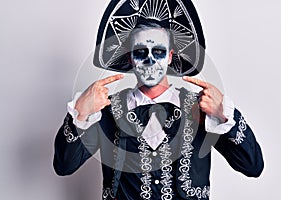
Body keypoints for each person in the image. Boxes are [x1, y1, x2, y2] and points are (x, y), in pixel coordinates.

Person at [53, 0, 264, 199]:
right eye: (141, 52)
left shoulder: (200, 108)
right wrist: (80, 114)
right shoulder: (107, 110)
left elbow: (252, 166)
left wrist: (225, 115)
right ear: (130, 58)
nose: (150, 60)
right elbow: (64, 166)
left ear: (171, 57)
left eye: (159, 52)